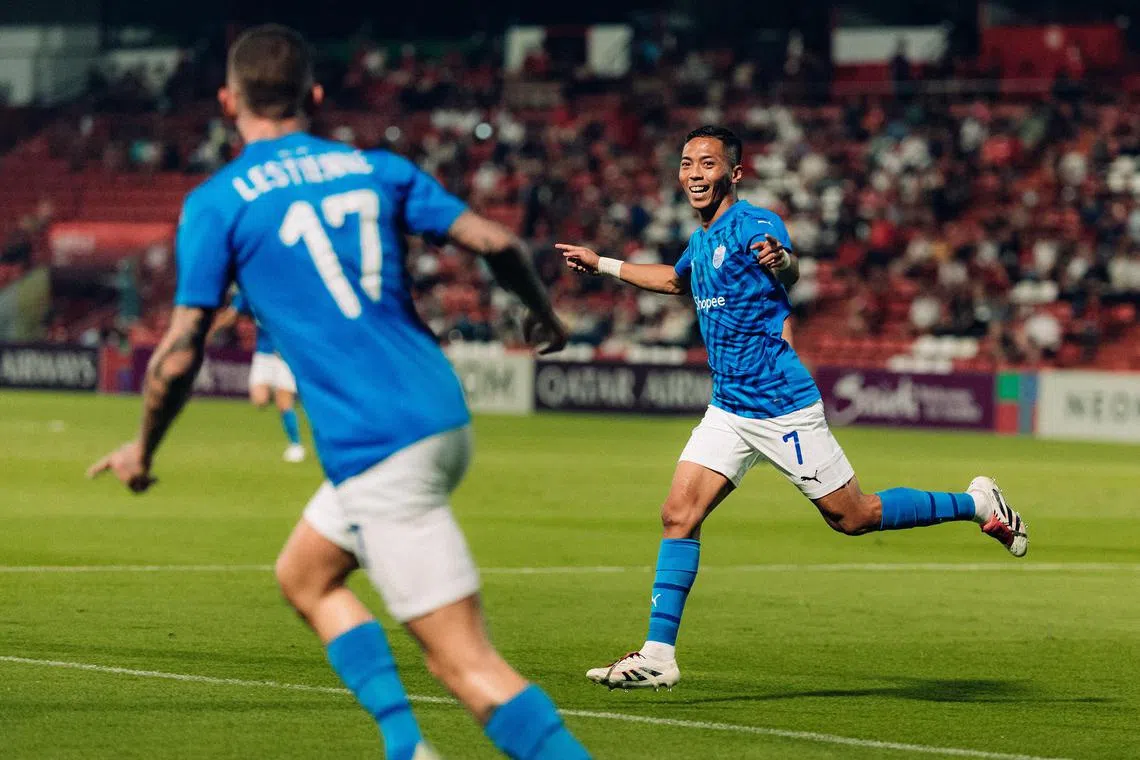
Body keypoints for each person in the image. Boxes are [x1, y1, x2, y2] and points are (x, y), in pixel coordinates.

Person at [89, 24, 590, 760]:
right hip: (439, 414)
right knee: (305, 575)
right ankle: (405, 746)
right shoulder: (377, 168)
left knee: (466, 665)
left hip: (379, 445)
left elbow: (179, 353)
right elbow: (499, 244)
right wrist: (542, 313)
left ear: (229, 101)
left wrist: (143, 447)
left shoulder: (218, 201)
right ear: (314, 97)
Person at [558, 125, 1028, 690]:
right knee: (678, 514)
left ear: (734, 172)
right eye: (686, 164)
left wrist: (780, 261)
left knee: (852, 516)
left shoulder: (755, 223)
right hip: (730, 408)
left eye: (707, 164)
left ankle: (976, 503)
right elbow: (672, 280)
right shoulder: (703, 239)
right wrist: (602, 262)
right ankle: (658, 655)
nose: (694, 174)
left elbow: (788, 266)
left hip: (781, 406)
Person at [210, 289, 307, 462]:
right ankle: (281, 397)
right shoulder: (249, 291)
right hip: (263, 354)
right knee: (259, 400)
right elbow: (232, 315)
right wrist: (209, 331)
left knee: (284, 401)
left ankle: (296, 445)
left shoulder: (287, 291)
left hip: (285, 355)